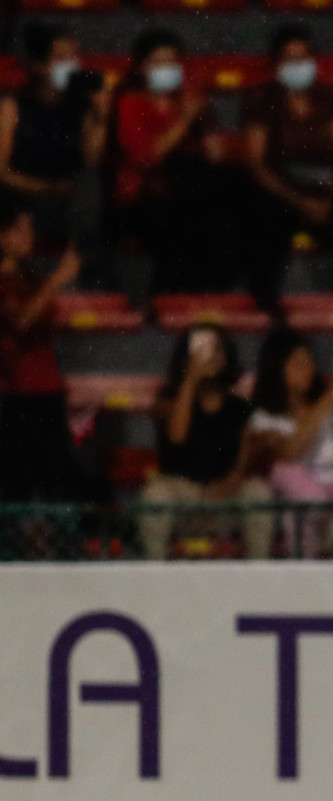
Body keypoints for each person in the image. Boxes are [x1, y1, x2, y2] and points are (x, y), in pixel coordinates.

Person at [242, 24, 333, 309]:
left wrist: (328, 198)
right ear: (276, 63)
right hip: (281, 186)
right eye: (290, 58)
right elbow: (256, 163)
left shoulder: (331, 98)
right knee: (262, 218)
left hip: (324, 185)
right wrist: (301, 202)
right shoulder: (262, 100)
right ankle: (265, 307)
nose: (298, 64)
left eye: (303, 57)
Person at [112, 27, 243, 293]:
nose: (168, 68)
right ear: (141, 66)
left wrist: (204, 122)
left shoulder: (189, 101)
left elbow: (214, 155)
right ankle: (167, 303)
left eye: (172, 61)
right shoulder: (130, 103)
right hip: (146, 194)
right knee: (176, 230)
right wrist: (184, 119)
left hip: (190, 193)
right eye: (159, 62)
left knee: (224, 218)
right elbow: (146, 156)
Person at [141, 323, 273, 560]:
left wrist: (228, 485)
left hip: (222, 499)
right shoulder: (167, 402)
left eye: (216, 350)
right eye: (200, 349)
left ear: (226, 358)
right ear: (185, 358)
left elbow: (244, 459)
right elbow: (177, 436)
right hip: (181, 497)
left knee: (258, 493)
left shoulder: (241, 408)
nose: (209, 357)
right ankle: (155, 576)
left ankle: (260, 575)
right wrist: (191, 380)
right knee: (155, 495)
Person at [0, 198, 99, 502]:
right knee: (17, 482)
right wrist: (58, 278)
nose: (30, 237)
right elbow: (22, 321)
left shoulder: (29, 278)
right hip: (15, 395)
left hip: (46, 392)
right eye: (21, 230)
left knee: (56, 481)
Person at [247, 329, 333, 557]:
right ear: (277, 368)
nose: (309, 371)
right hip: (295, 508)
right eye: (299, 364)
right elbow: (291, 451)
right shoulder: (264, 418)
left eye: (310, 363)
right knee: (290, 479)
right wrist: (324, 405)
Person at [0, 24, 109, 272]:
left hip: (68, 201)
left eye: (74, 56)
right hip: (24, 197)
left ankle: (85, 269)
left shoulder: (82, 106)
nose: (71, 64)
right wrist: (45, 187)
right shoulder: (13, 106)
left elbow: (92, 160)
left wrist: (101, 116)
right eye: (61, 58)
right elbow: (1, 171)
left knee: (90, 186)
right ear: (39, 65)